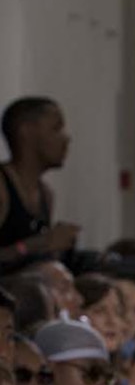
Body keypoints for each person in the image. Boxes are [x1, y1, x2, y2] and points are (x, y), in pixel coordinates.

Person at [0, 98, 79, 272]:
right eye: (56, 128)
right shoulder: (3, 187)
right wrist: (39, 244)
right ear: (26, 132)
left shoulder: (46, 195)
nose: (67, 138)